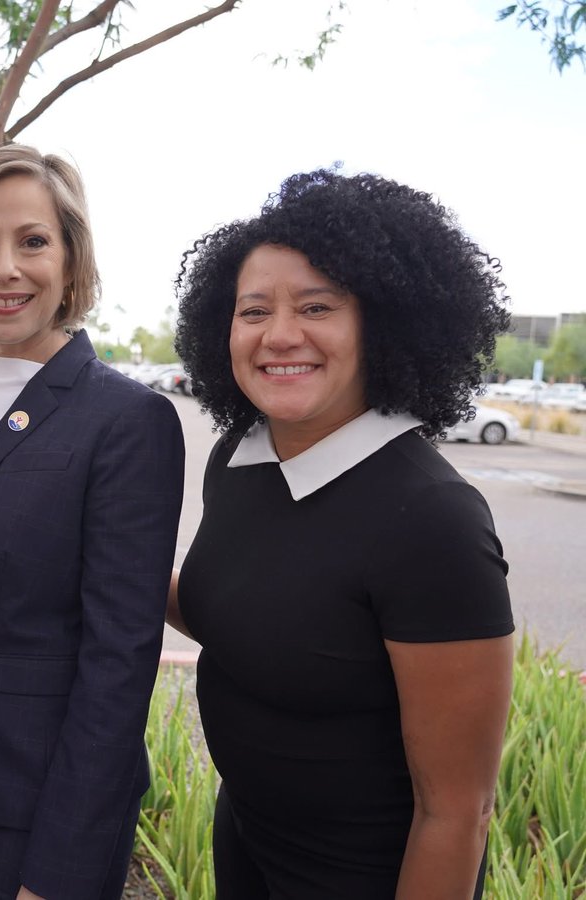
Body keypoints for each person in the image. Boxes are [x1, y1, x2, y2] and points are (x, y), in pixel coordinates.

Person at [167, 169, 514, 899]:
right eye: (253, 309)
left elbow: (457, 811)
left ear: (381, 323)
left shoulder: (433, 519)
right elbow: (250, 619)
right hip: (247, 843)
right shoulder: (240, 456)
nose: (280, 334)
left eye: (317, 306)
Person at [0, 143, 186, 899]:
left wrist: (59, 871)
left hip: (45, 809)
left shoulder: (128, 419)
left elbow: (119, 663)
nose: (5, 268)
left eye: (33, 241)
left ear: (69, 258)